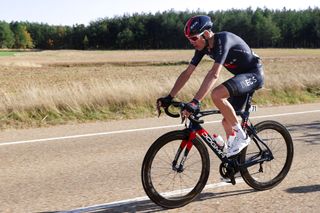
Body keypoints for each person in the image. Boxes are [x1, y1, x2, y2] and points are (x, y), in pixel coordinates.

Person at [157, 15, 264, 158]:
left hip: (253, 74)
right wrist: (169, 97)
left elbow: (214, 73)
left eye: (194, 38)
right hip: (240, 78)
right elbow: (187, 73)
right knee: (227, 121)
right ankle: (236, 163)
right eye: (189, 39)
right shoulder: (203, 47)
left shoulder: (223, 40)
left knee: (217, 94)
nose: (192, 42)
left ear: (206, 34)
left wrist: (195, 101)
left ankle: (242, 136)